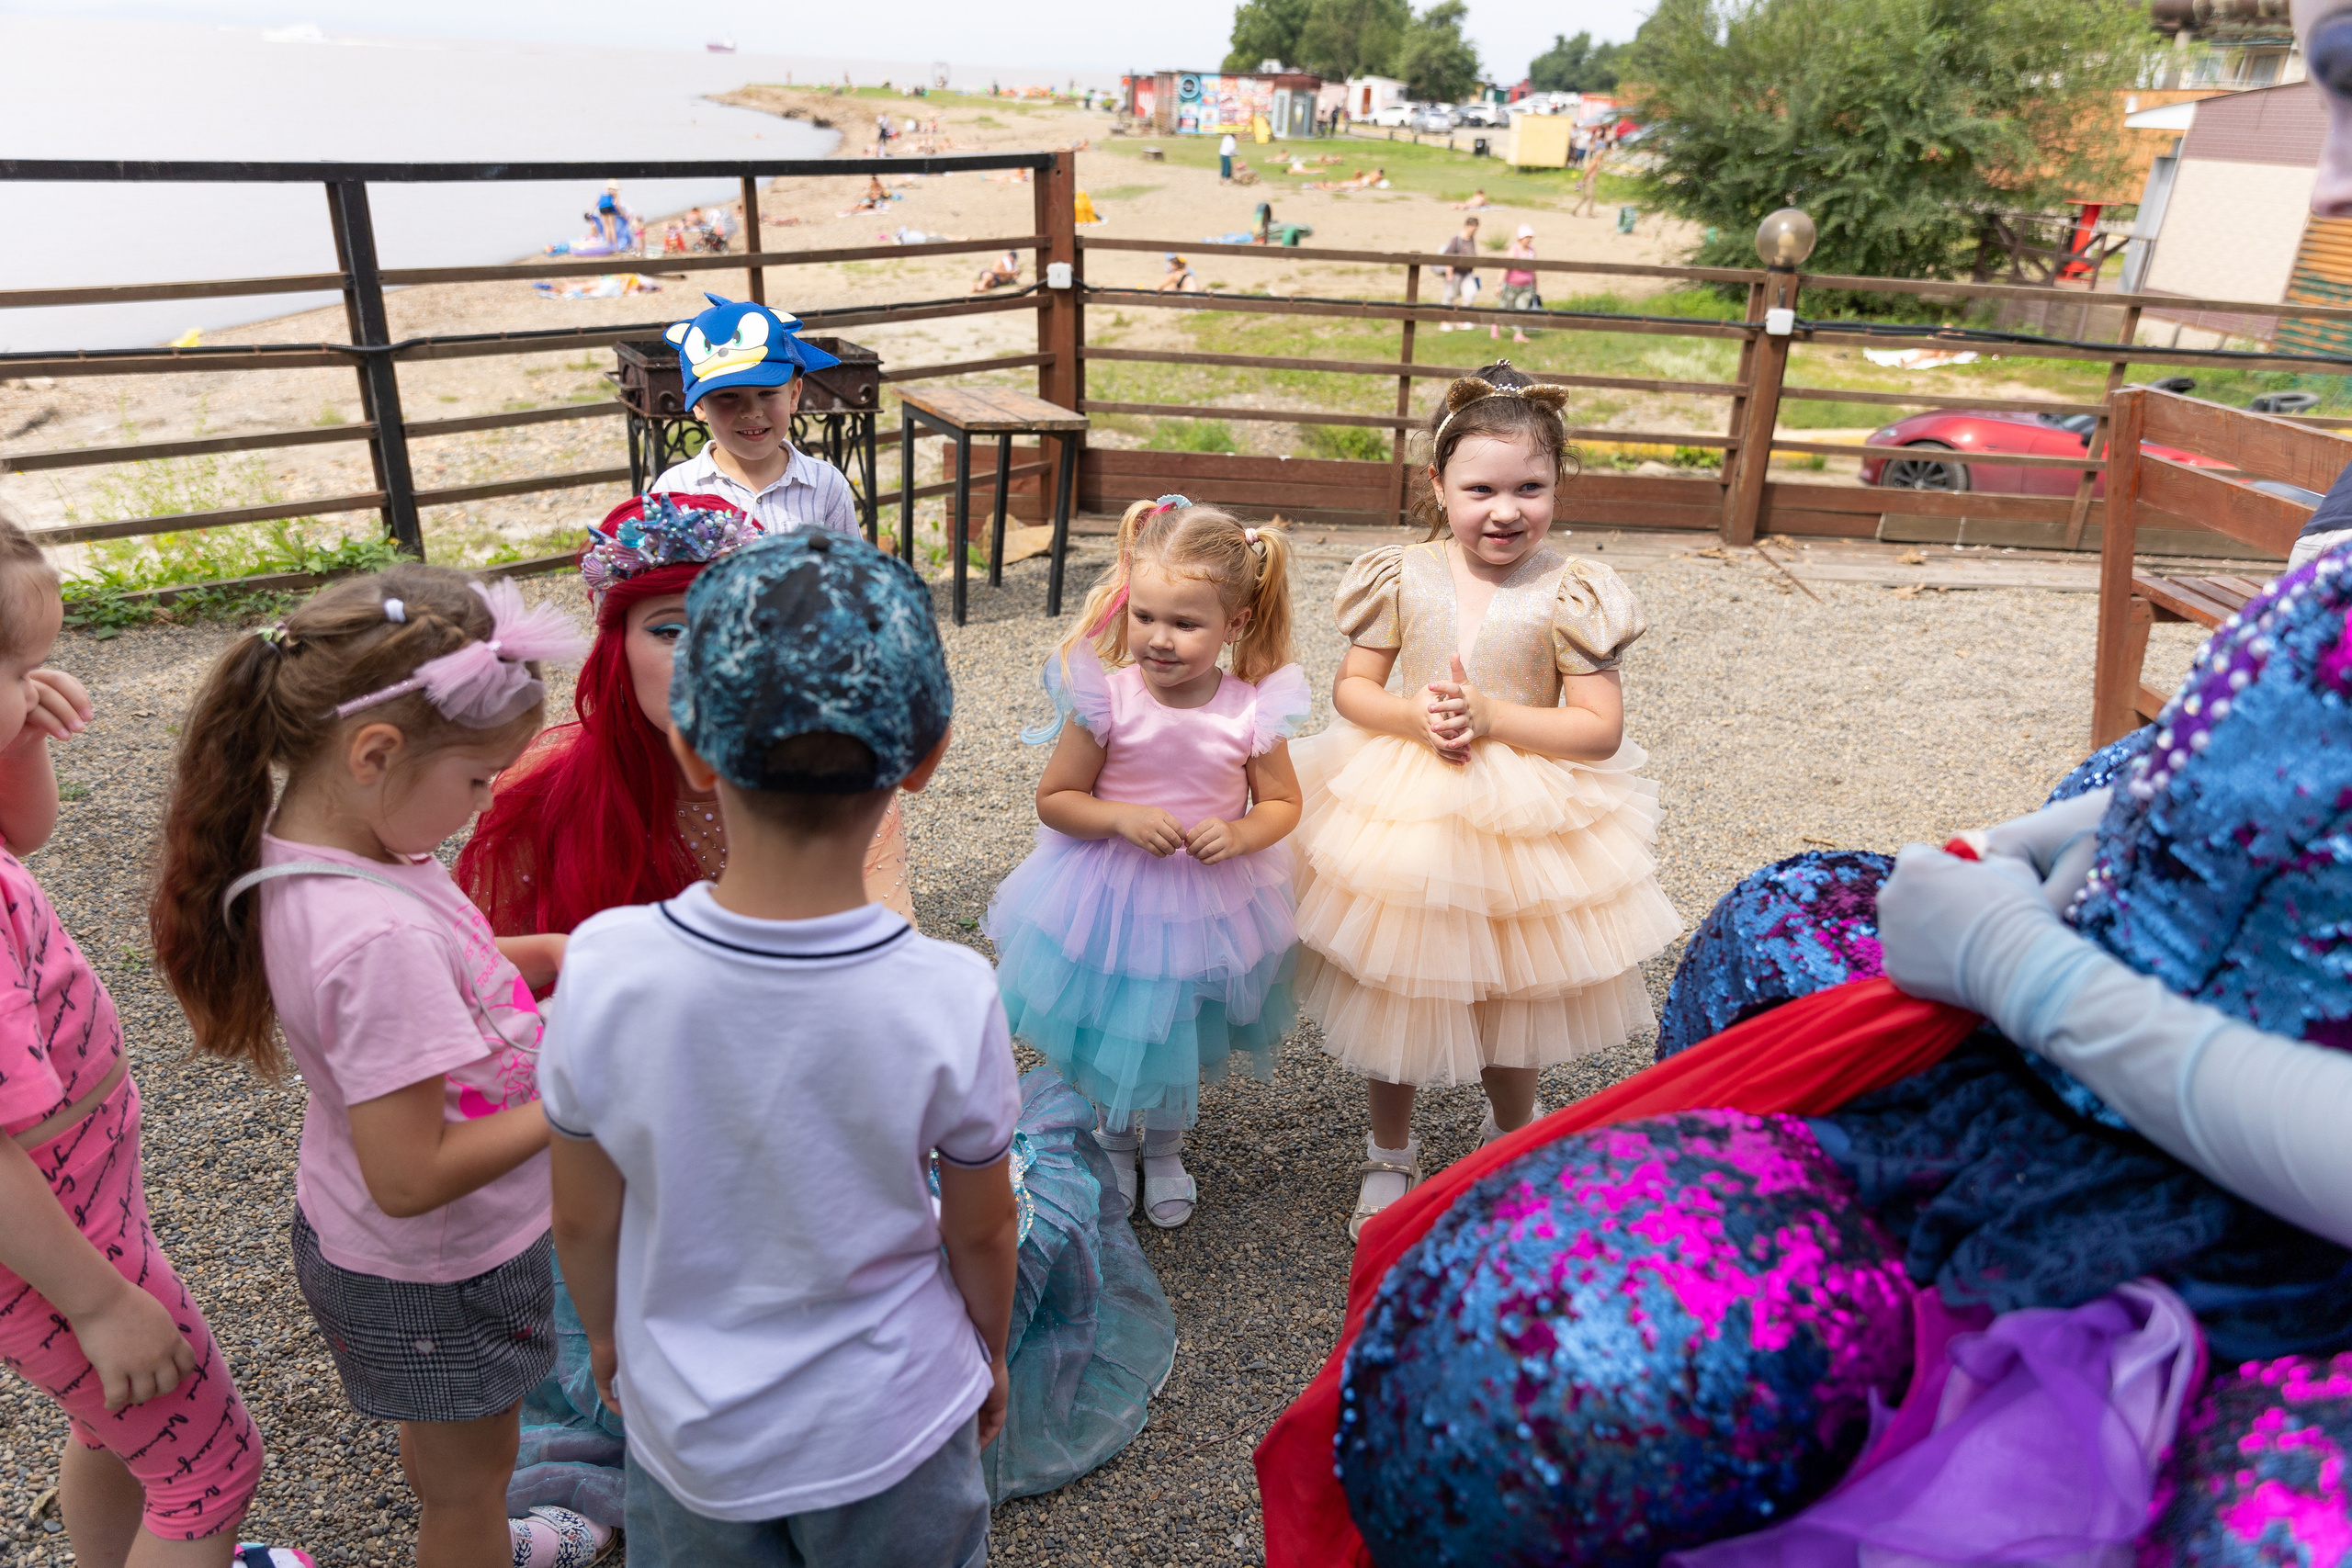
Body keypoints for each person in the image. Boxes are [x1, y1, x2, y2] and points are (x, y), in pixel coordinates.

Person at [539, 532, 1017, 1567]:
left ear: (694, 750)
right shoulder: (950, 993)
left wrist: (613, 1339)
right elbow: (982, 1229)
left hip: (690, 1431)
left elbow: (581, 1211)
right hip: (896, 1420)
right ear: (926, 757)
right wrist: (989, 1346)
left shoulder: (606, 967)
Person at [150, 566, 594, 1568]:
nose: (486, 803)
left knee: (454, 1462)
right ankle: (473, 1535)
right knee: (473, 1480)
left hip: (393, 1256)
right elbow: (411, 1178)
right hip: (438, 1267)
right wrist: (581, 1080)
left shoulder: (340, 849)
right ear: (375, 751)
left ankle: (464, 1516)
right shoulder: (373, 935)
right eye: (479, 779)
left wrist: (540, 958)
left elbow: (445, 979)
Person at [1287, 365, 1679, 1240]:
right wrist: (1415, 718)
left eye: (1530, 488)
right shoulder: (1402, 573)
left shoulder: (1571, 589)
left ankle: (1514, 1136)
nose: (1506, 510)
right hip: (1411, 799)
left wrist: (1495, 715)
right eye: (1481, 489)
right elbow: (1353, 690)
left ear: (1557, 486)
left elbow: (1599, 728)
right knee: (1400, 981)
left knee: (1518, 986)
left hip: (1524, 810)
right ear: (1438, 486)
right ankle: (1390, 1151)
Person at [0, 515, 310, 1568]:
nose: (42, 685)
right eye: (19, 670)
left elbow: (21, 833)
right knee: (206, 1470)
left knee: (120, 1427)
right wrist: (98, 1301)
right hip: (50, 1239)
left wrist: (23, 729)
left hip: (75, 1202)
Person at [985, 499, 1309, 1230]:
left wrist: (1244, 832)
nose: (1159, 640)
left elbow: (1284, 803)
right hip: (1110, 894)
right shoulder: (1107, 699)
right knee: (1113, 1022)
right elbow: (1057, 798)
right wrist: (1120, 817)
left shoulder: (1251, 711)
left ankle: (1164, 1148)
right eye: (1147, 617)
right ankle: (1111, 1139)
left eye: (1186, 624)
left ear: (1237, 623)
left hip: (1209, 899)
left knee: (1174, 1027)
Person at [650, 294, 859, 536]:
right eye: (728, 396)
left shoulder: (827, 485)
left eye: (767, 392)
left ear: (793, 395)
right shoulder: (674, 490)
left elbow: (852, 567)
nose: (751, 412)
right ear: (699, 406)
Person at [1435, 215, 1481, 330]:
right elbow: (1448, 255)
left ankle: (1461, 320)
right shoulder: (1457, 239)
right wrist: (1449, 273)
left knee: (1470, 293)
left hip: (1467, 273)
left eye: (1475, 227)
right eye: (1472, 227)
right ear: (1467, 226)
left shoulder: (1471, 239)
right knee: (1449, 296)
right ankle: (1444, 322)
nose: (1474, 230)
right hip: (1455, 273)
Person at [1496, 224, 1539, 344]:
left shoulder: (1531, 252)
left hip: (1526, 287)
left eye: (1530, 237)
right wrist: (1499, 285)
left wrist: (1535, 284)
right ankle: (1496, 324)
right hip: (1511, 286)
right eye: (1527, 237)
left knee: (1521, 308)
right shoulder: (1513, 251)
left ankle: (1519, 334)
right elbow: (1504, 268)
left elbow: (1534, 270)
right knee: (1505, 308)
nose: (1529, 240)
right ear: (1521, 237)